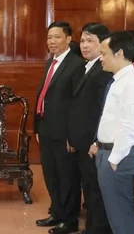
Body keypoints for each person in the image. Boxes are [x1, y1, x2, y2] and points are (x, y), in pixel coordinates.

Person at [89, 31, 134, 234]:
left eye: (104, 53)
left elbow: (129, 126)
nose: (101, 58)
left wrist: (113, 159)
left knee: (121, 216)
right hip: (108, 153)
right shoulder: (119, 80)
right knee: (114, 214)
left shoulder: (132, 83)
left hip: (118, 157)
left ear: (119, 53)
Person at [34, 21, 84, 234]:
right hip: (46, 128)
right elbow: (44, 96)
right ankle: (57, 212)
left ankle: (69, 220)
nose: (52, 41)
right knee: (51, 174)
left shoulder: (76, 65)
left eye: (57, 37)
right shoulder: (51, 62)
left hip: (64, 132)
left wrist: (72, 135)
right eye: (49, 37)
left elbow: (77, 104)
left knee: (68, 177)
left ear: (69, 39)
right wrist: (37, 126)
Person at [68, 23, 112, 234]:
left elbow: (103, 111)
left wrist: (96, 140)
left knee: (95, 191)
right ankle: (92, 227)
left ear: (103, 43)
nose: (84, 46)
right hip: (81, 140)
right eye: (83, 41)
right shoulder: (87, 67)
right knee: (89, 187)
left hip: (93, 142)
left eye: (90, 41)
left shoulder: (103, 70)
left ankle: (97, 229)